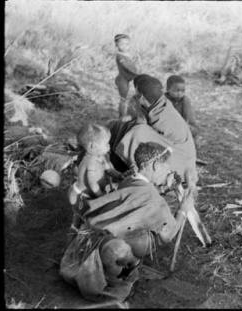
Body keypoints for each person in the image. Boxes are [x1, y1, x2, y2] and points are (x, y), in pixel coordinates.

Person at [60, 142, 195, 302]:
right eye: (166, 167)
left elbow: (138, 193)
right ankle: (111, 282)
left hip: (87, 243)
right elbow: (168, 235)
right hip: (106, 255)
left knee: (128, 241)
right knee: (132, 245)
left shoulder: (130, 179)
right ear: (154, 165)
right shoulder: (153, 199)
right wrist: (183, 210)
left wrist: (163, 188)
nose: (168, 172)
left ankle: (113, 266)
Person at [110, 74, 198, 190]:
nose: (134, 96)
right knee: (124, 125)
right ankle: (118, 165)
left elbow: (142, 126)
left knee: (138, 132)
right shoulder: (157, 103)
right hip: (169, 151)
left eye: (136, 93)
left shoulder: (163, 116)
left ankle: (140, 171)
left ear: (141, 97)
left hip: (181, 164)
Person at [68, 123, 123, 229]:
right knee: (84, 216)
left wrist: (120, 175)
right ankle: (75, 229)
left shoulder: (101, 156)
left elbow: (109, 169)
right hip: (82, 196)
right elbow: (92, 184)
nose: (109, 146)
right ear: (92, 146)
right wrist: (101, 196)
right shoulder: (90, 161)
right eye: (106, 144)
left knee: (88, 214)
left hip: (91, 193)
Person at [114, 34, 140, 119]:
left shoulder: (129, 54)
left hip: (129, 78)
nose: (125, 46)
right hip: (122, 79)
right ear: (116, 45)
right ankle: (121, 116)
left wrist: (136, 62)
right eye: (122, 44)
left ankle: (133, 113)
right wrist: (136, 72)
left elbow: (135, 63)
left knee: (135, 94)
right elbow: (127, 67)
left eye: (127, 44)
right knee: (123, 98)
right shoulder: (120, 56)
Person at [164, 75, 199, 139]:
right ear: (167, 89)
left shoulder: (185, 101)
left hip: (182, 128)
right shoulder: (163, 100)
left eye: (183, 91)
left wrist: (187, 127)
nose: (180, 93)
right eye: (176, 91)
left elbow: (190, 121)